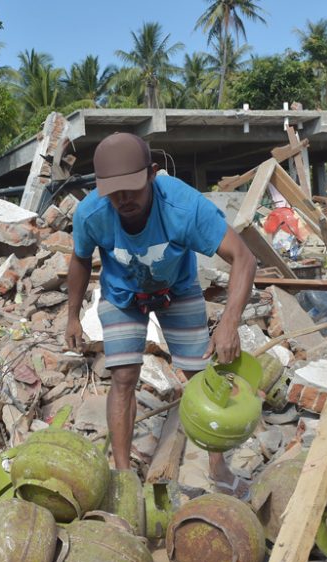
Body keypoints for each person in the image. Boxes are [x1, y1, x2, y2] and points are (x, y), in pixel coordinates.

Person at [65, 132, 257, 494]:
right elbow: (78, 258)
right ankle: (124, 478)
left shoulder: (184, 207)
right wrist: (72, 315)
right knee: (123, 377)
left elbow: (243, 257)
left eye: (132, 190)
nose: (123, 200)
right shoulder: (92, 212)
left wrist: (229, 322)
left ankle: (217, 468)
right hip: (122, 295)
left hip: (177, 290)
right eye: (114, 192)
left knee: (201, 375)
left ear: (153, 173)